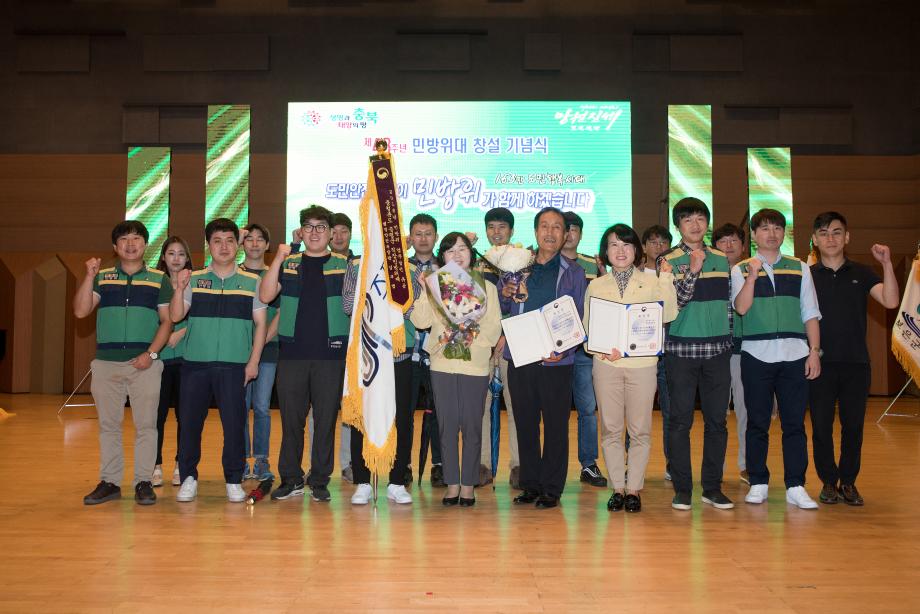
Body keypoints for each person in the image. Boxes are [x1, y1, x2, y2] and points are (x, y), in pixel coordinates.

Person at [74, 220, 173, 506]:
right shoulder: (102, 277)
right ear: (115, 247)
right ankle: (110, 481)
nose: (131, 244)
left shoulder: (158, 279)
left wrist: (151, 354)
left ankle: (143, 481)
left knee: (146, 425)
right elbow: (81, 311)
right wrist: (88, 275)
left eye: (137, 239)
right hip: (106, 364)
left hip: (145, 364)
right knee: (108, 425)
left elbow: (167, 321)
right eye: (124, 239)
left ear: (145, 245)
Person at [169, 218, 267, 503]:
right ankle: (188, 477)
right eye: (217, 241)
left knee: (235, 425)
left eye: (229, 241)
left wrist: (253, 361)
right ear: (208, 245)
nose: (223, 247)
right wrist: (178, 287)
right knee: (189, 423)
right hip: (195, 365)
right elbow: (175, 316)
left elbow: (261, 324)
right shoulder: (195, 279)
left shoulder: (252, 281)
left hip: (234, 365)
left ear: (238, 245)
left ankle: (234, 479)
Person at [731, 208, 822, 510]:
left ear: (784, 233)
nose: (771, 233)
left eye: (777, 227)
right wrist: (753, 277)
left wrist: (814, 351)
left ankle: (796, 484)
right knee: (757, 422)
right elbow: (741, 308)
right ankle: (758, 482)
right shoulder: (741, 269)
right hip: (756, 355)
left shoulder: (800, 267)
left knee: (794, 424)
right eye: (765, 228)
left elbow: (810, 312)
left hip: (795, 355)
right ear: (754, 235)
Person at [585, 224, 677, 513]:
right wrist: (600, 348)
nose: (620, 251)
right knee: (611, 429)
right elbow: (589, 330)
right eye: (613, 245)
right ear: (605, 253)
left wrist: (666, 279)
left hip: (642, 364)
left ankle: (634, 488)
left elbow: (670, 313)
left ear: (636, 251)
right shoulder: (596, 285)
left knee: (640, 430)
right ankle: (618, 488)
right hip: (606, 364)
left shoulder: (652, 281)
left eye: (626, 245)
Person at [261, 205, 350, 503]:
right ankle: (291, 478)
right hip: (293, 355)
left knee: (325, 421)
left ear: (330, 232)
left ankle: (320, 479)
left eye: (321, 227)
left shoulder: (345, 264)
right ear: (301, 231)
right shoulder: (289, 263)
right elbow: (265, 295)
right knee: (291, 421)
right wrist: (279, 257)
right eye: (308, 227)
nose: (315, 233)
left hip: (331, 355)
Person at [809, 211, 899, 506]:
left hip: (855, 363)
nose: (830, 238)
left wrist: (886, 263)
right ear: (814, 239)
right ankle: (828, 482)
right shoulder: (806, 277)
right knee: (821, 426)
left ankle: (848, 481)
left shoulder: (861, 272)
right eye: (823, 233)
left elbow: (890, 300)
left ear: (846, 237)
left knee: (853, 427)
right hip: (818, 363)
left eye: (836, 232)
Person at [501, 207, 587, 509]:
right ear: (536, 231)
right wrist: (506, 290)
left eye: (557, 227)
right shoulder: (518, 265)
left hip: (556, 360)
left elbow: (578, 316)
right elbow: (503, 301)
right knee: (524, 423)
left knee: (554, 426)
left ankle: (551, 487)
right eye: (544, 226)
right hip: (521, 356)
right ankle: (530, 484)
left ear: (566, 235)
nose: (550, 232)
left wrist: (564, 349)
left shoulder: (574, 272)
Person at [411, 232, 502, 506]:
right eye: (450, 251)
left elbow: (493, 326)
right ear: (443, 258)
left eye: (463, 249)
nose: (458, 254)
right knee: (447, 426)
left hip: (474, 363)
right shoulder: (436, 285)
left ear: (471, 254)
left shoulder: (488, 288)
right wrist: (426, 290)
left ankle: (468, 485)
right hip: (441, 363)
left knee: (472, 426)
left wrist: (465, 335)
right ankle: (452, 483)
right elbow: (419, 320)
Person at [660, 197, 734, 511]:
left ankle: (712, 487)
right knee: (680, 422)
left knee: (717, 422)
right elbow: (673, 304)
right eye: (688, 219)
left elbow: (728, 305)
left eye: (701, 218)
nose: (695, 225)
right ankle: (682, 489)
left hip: (717, 351)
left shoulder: (721, 258)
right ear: (678, 225)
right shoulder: (667, 259)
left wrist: (728, 340)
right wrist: (692, 270)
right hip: (681, 350)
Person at [343, 252, 416, 505]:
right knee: (362, 416)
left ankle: (396, 482)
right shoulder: (356, 265)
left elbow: (409, 309)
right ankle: (363, 481)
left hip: (398, 355)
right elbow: (347, 305)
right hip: (366, 353)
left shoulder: (408, 267)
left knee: (402, 419)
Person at [296, 212, 356, 483]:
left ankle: (348, 463)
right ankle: (314, 466)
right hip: (314, 352)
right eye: (337, 231)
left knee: (347, 410)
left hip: (348, 350)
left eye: (344, 231)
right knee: (316, 412)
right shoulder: (309, 262)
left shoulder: (354, 265)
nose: (340, 236)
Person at [474, 207, 521, 489]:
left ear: (512, 231)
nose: (496, 232)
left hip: (513, 343)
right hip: (482, 344)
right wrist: (489, 337)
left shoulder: (524, 261)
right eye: (491, 227)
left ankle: (518, 465)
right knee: (481, 407)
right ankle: (482, 464)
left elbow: (525, 304)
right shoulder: (475, 265)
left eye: (502, 227)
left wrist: (505, 332)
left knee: (517, 407)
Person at [561, 211, 607, 488]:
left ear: (580, 233)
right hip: (553, 351)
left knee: (588, 409)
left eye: (573, 229)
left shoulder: (593, 266)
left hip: (584, 350)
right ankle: (551, 465)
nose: (568, 234)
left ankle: (588, 464)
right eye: (563, 229)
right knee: (553, 411)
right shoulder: (544, 263)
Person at [406, 213, 445, 487]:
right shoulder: (399, 269)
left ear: (436, 237)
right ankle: (404, 465)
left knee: (440, 413)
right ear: (410, 236)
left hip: (438, 354)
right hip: (406, 352)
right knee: (404, 413)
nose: (423, 238)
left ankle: (439, 465)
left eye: (428, 233)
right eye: (417, 233)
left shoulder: (447, 270)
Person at [240, 223, 281, 482]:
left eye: (260, 239)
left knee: (262, 407)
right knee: (241, 407)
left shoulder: (274, 273)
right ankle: (242, 460)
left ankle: (262, 460)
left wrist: (264, 339)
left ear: (267, 245)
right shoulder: (234, 272)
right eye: (249, 239)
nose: (254, 244)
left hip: (268, 349)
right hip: (238, 351)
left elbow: (282, 311)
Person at [153, 236, 193, 488]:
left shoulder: (196, 281)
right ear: (164, 257)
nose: (176, 258)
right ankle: (154, 464)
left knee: (185, 415)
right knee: (155, 416)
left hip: (187, 359)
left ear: (187, 258)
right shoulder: (155, 282)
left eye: (180, 254)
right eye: (171, 253)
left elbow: (201, 316)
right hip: (159, 358)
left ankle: (181, 463)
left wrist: (182, 331)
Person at [712, 222, 750, 484]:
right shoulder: (708, 272)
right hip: (714, 352)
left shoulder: (752, 272)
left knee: (747, 411)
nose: (728, 246)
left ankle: (747, 465)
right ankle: (714, 469)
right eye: (722, 241)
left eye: (733, 240)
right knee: (716, 414)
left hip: (743, 352)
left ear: (743, 245)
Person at [641, 224, 673, 479]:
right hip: (640, 354)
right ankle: (632, 464)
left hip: (670, 351)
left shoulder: (673, 273)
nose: (658, 246)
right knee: (636, 415)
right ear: (643, 247)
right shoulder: (633, 274)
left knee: (672, 413)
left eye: (663, 242)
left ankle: (673, 464)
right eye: (653, 242)